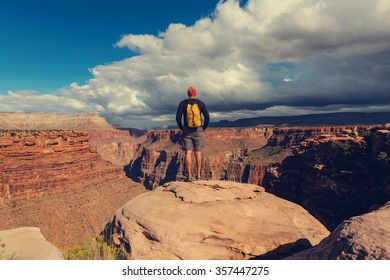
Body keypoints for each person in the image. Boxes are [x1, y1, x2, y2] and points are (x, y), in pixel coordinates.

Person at [176, 86, 210, 182]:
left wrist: (182, 128)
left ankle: (189, 176)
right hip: (198, 129)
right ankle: (198, 175)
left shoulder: (183, 103)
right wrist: (203, 127)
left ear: (188, 94)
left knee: (188, 153)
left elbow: (178, 118)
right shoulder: (200, 103)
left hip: (187, 130)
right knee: (198, 152)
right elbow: (207, 116)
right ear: (195, 94)